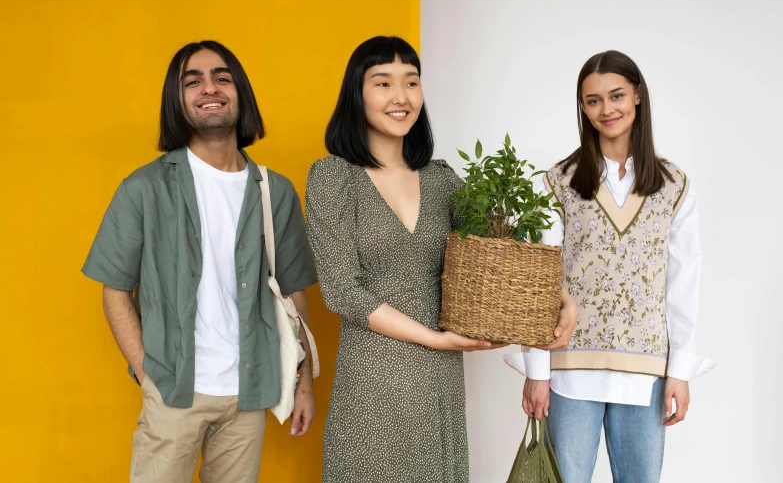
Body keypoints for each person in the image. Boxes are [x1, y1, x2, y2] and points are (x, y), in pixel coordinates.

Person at [305, 36, 578, 483]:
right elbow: (341, 290)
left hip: (438, 388)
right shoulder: (334, 176)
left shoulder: (442, 181)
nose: (401, 96)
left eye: (411, 82)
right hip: (371, 387)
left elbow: (498, 256)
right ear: (357, 94)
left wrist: (560, 297)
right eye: (383, 83)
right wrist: (436, 340)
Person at [81, 40, 318, 483]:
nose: (209, 88)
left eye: (221, 77)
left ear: (239, 92)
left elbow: (292, 292)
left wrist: (303, 384)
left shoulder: (275, 191)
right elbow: (114, 290)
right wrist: (148, 373)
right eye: (193, 81)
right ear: (178, 99)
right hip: (174, 391)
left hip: (250, 393)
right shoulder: (144, 188)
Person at [505, 50, 715, 483]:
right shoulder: (557, 182)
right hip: (569, 370)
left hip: (646, 372)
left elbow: (683, 282)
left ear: (637, 96)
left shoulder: (675, 186)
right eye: (593, 100)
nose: (607, 109)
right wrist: (537, 372)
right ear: (582, 107)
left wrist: (680, 372)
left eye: (616, 95)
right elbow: (540, 281)